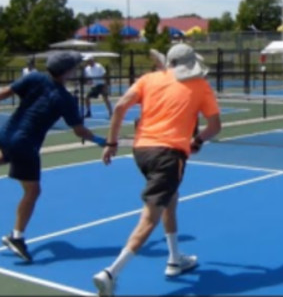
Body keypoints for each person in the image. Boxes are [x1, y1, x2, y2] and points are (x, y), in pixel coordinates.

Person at [93, 43, 221, 296]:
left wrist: (111, 142)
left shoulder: (148, 79)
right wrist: (197, 141)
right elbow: (215, 126)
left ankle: (175, 259)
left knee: (171, 201)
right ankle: (111, 273)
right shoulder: (201, 87)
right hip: (169, 156)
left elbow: (119, 108)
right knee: (150, 217)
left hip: (142, 153)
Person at [0, 51, 106, 262]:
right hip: (25, 143)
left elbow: (3, 93)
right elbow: (79, 131)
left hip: (6, 133)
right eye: (75, 67)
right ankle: (17, 237)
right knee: (33, 190)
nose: (76, 69)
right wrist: (101, 141)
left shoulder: (34, 77)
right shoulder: (65, 99)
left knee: (5, 157)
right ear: (67, 71)